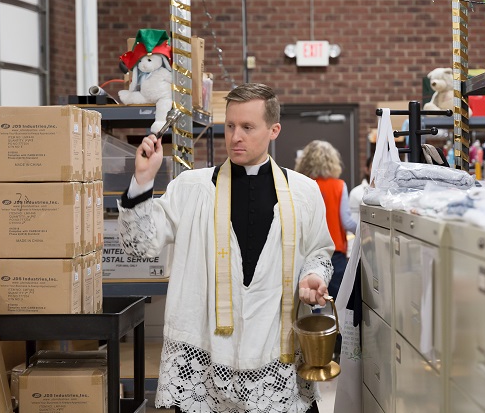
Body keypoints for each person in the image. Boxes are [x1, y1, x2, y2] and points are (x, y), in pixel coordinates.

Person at [118, 83, 334, 413]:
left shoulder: (304, 192)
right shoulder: (191, 189)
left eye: (248, 127)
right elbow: (139, 245)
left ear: (274, 130)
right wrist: (143, 181)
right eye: (230, 125)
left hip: (277, 354)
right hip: (206, 357)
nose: (235, 137)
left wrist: (314, 275)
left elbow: (320, 250)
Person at [295, 140, 356, 301]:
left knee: (311, 299)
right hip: (335, 253)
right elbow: (347, 222)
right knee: (337, 305)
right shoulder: (339, 186)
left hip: (308, 252)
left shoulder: (301, 185)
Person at [348, 155, 373, 225]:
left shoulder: (389, 193)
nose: (378, 170)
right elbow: (353, 223)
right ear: (367, 170)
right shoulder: (356, 193)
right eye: (374, 167)